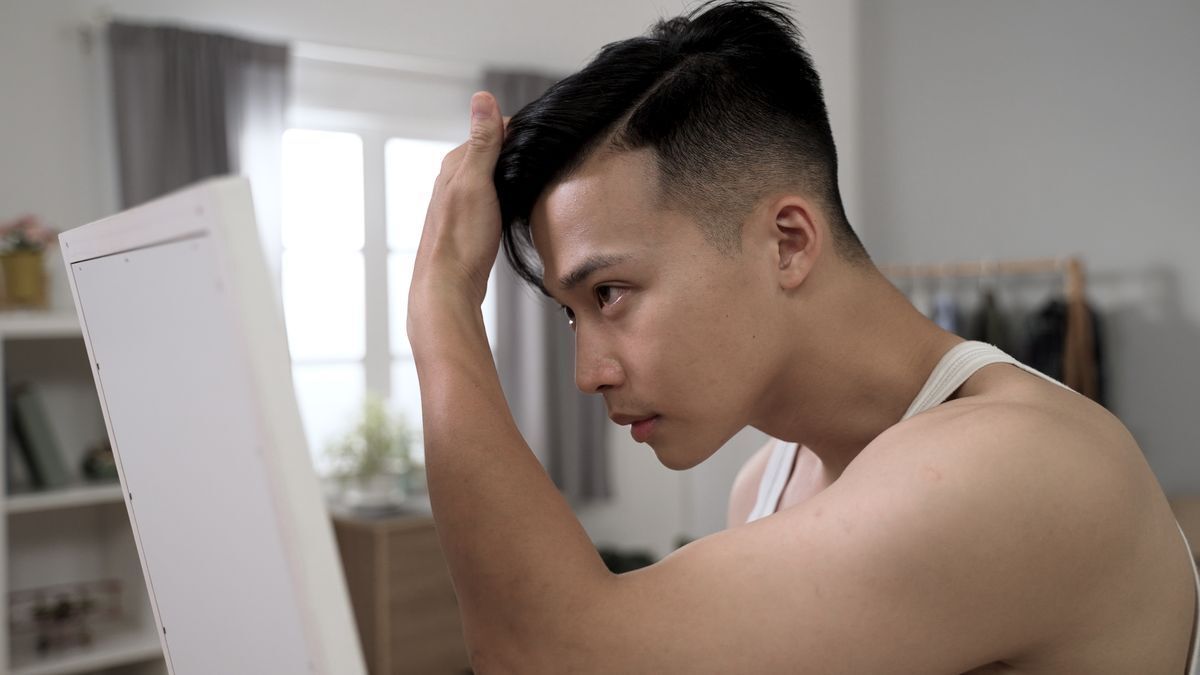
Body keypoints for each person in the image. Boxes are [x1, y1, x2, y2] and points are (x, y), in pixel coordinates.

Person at [406, 1, 1198, 672]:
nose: (588, 370)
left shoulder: (1014, 465)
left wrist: (442, 302)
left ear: (787, 241)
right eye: (571, 311)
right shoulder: (766, 483)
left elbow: (551, 650)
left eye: (610, 292)